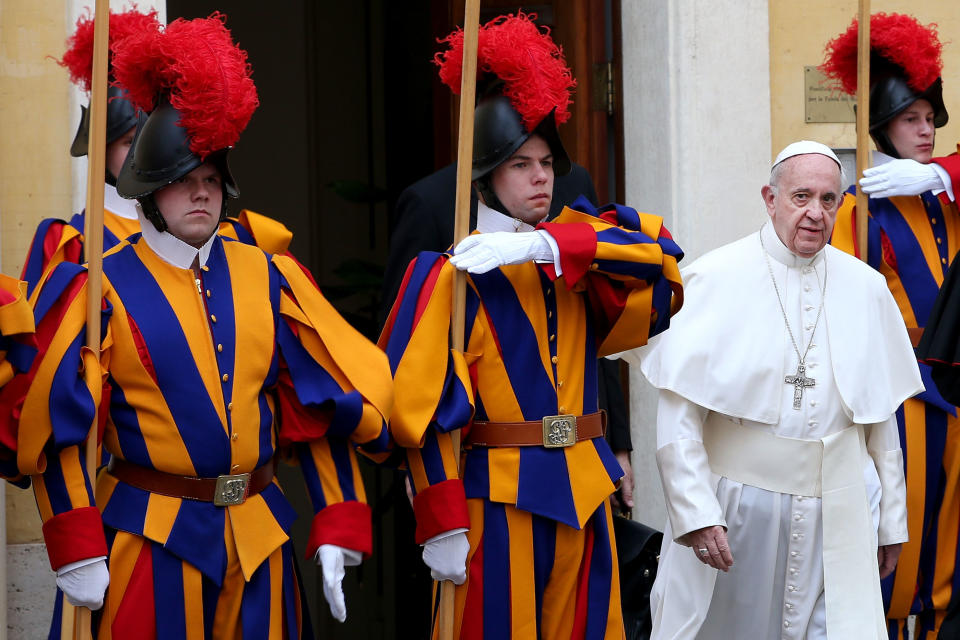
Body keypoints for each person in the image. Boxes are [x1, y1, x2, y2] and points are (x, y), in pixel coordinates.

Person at [15, 15, 392, 637]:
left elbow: (317, 404)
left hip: (259, 535)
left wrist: (339, 517)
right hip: (148, 537)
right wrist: (77, 542)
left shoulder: (268, 276)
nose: (200, 195)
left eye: (211, 181)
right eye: (184, 182)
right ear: (151, 191)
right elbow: (61, 423)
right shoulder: (97, 284)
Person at [379, 13, 683, 638]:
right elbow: (420, 405)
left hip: (584, 489)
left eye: (546, 161)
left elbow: (660, 260)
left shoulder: (575, 252)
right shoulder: (446, 275)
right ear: (488, 176)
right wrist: (439, 516)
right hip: (495, 498)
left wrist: (543, 248)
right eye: (521, 164)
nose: (542, 175)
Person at [639, 141, 919, 639]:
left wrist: (892, 519)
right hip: (741, 513)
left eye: (829, 200)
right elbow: (679, 416)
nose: (815, 213)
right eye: (801, 197)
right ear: (770, 198)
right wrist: (696, 511)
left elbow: (880, 422)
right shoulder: (714, 277)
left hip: (843, 507)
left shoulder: (867, 288)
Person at [822, 14, 960, 638]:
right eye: (912, 119)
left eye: (931, 118)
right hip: (899, 393)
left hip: (952, 389)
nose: (927, 131)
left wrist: (938, 176)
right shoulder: (855, 211)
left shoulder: (946, 193)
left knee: (950, 552)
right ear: (882, 127)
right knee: (895, 541)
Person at [23, 8, 301, 300]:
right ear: (100, 150)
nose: (137, 152)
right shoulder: (73, 243)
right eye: (129, 141)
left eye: (209, 180)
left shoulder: (237, 238)